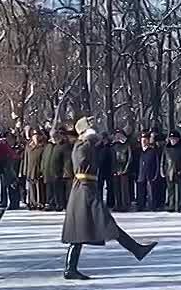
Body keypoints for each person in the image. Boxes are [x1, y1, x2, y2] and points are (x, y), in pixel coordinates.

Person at [61, 117, 157, 280]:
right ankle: (137, 250)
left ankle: (71, 268)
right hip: (84, 190)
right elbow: (82, 163)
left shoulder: (87, 145)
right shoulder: (81, 145)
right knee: (99, 225)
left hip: (87, 189)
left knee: (89, 228)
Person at [161, 130, 181, 213]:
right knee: (170, 190)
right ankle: (171, 205)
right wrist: (162, 170)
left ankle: (178, 205)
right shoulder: (167, 148)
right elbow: (163, 161)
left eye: (174, 139)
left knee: (178, 190)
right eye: (171, 139)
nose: (173, 140)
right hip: (168, 171)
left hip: (178, 171)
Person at [135, 132, 160, 211]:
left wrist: (156, 174)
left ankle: (152, 206)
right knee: (140, 191)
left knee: (151, 191)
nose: (144, 141)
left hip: (150, 174)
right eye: (142, 140)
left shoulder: (152, 151)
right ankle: (140, 205)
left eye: (145, 140)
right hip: (140, 174)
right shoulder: (138, 151)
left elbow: (157, 163)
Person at [110, 129, 133, 212]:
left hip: (124, 169)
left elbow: (129, 158)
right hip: (115, 169)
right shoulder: (113, 146)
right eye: (117, 134)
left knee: (124, 189)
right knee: (116, 189)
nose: (118, 136)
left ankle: (125, 205)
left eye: (119, 134)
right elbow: (112, 159)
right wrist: (113, 170)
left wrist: (125, 169)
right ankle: (117, 204)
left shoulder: (127, 145)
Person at [24, 128, 46, 211]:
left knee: (39, 187)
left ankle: (40, 203)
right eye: (34, 135)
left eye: (37, 135)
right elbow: (26, 159)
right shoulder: (28, 146)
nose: (35, 137)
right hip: (30, 170)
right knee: (31, 188)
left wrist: (43, 170)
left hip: (39, 169)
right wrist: (25, 170)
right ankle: (32, 202)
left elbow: (44, 159)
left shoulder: (43, 146)